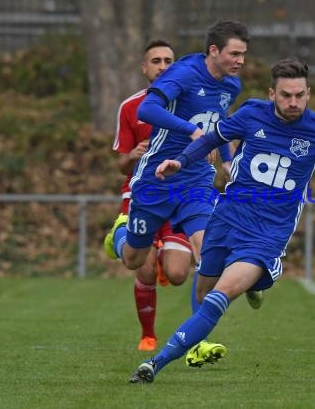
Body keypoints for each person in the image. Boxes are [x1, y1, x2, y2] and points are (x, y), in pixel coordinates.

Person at [128, 58, 315, 384]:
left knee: (218, 297)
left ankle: (155, 363)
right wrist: (180, 161)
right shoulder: (250, 115)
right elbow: (211, 139)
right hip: (227, 219)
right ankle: (258, 282)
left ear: (309, 93)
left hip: (266, 235)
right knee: (204, 293)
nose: (294, 103)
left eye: (300, 95)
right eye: (286, 95)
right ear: (271, 93)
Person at [104, 20, 250, 367]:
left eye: (244, 54)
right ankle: (119, 233)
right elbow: (147, 110)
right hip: (155, 180)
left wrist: (227, 161)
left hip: (195, 180)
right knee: (134, 260)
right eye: (235, 53)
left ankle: (197, 340)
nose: (241, 60)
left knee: (207, 249)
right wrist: (191, 130)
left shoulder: (232, 83)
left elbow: (222, 122)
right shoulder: (183, 74)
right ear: (214, 51)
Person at [107, 39, 195, 352]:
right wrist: (132, 155)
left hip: (177, 198)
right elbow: (120, 164)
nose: (162, 66)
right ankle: (148, 335)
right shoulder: (131, 108)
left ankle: (157, 256)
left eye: (168, 60)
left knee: (177, 274)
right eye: (155, 61)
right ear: (145, 68)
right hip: (141, 195)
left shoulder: (192, 106)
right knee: (142, 265)